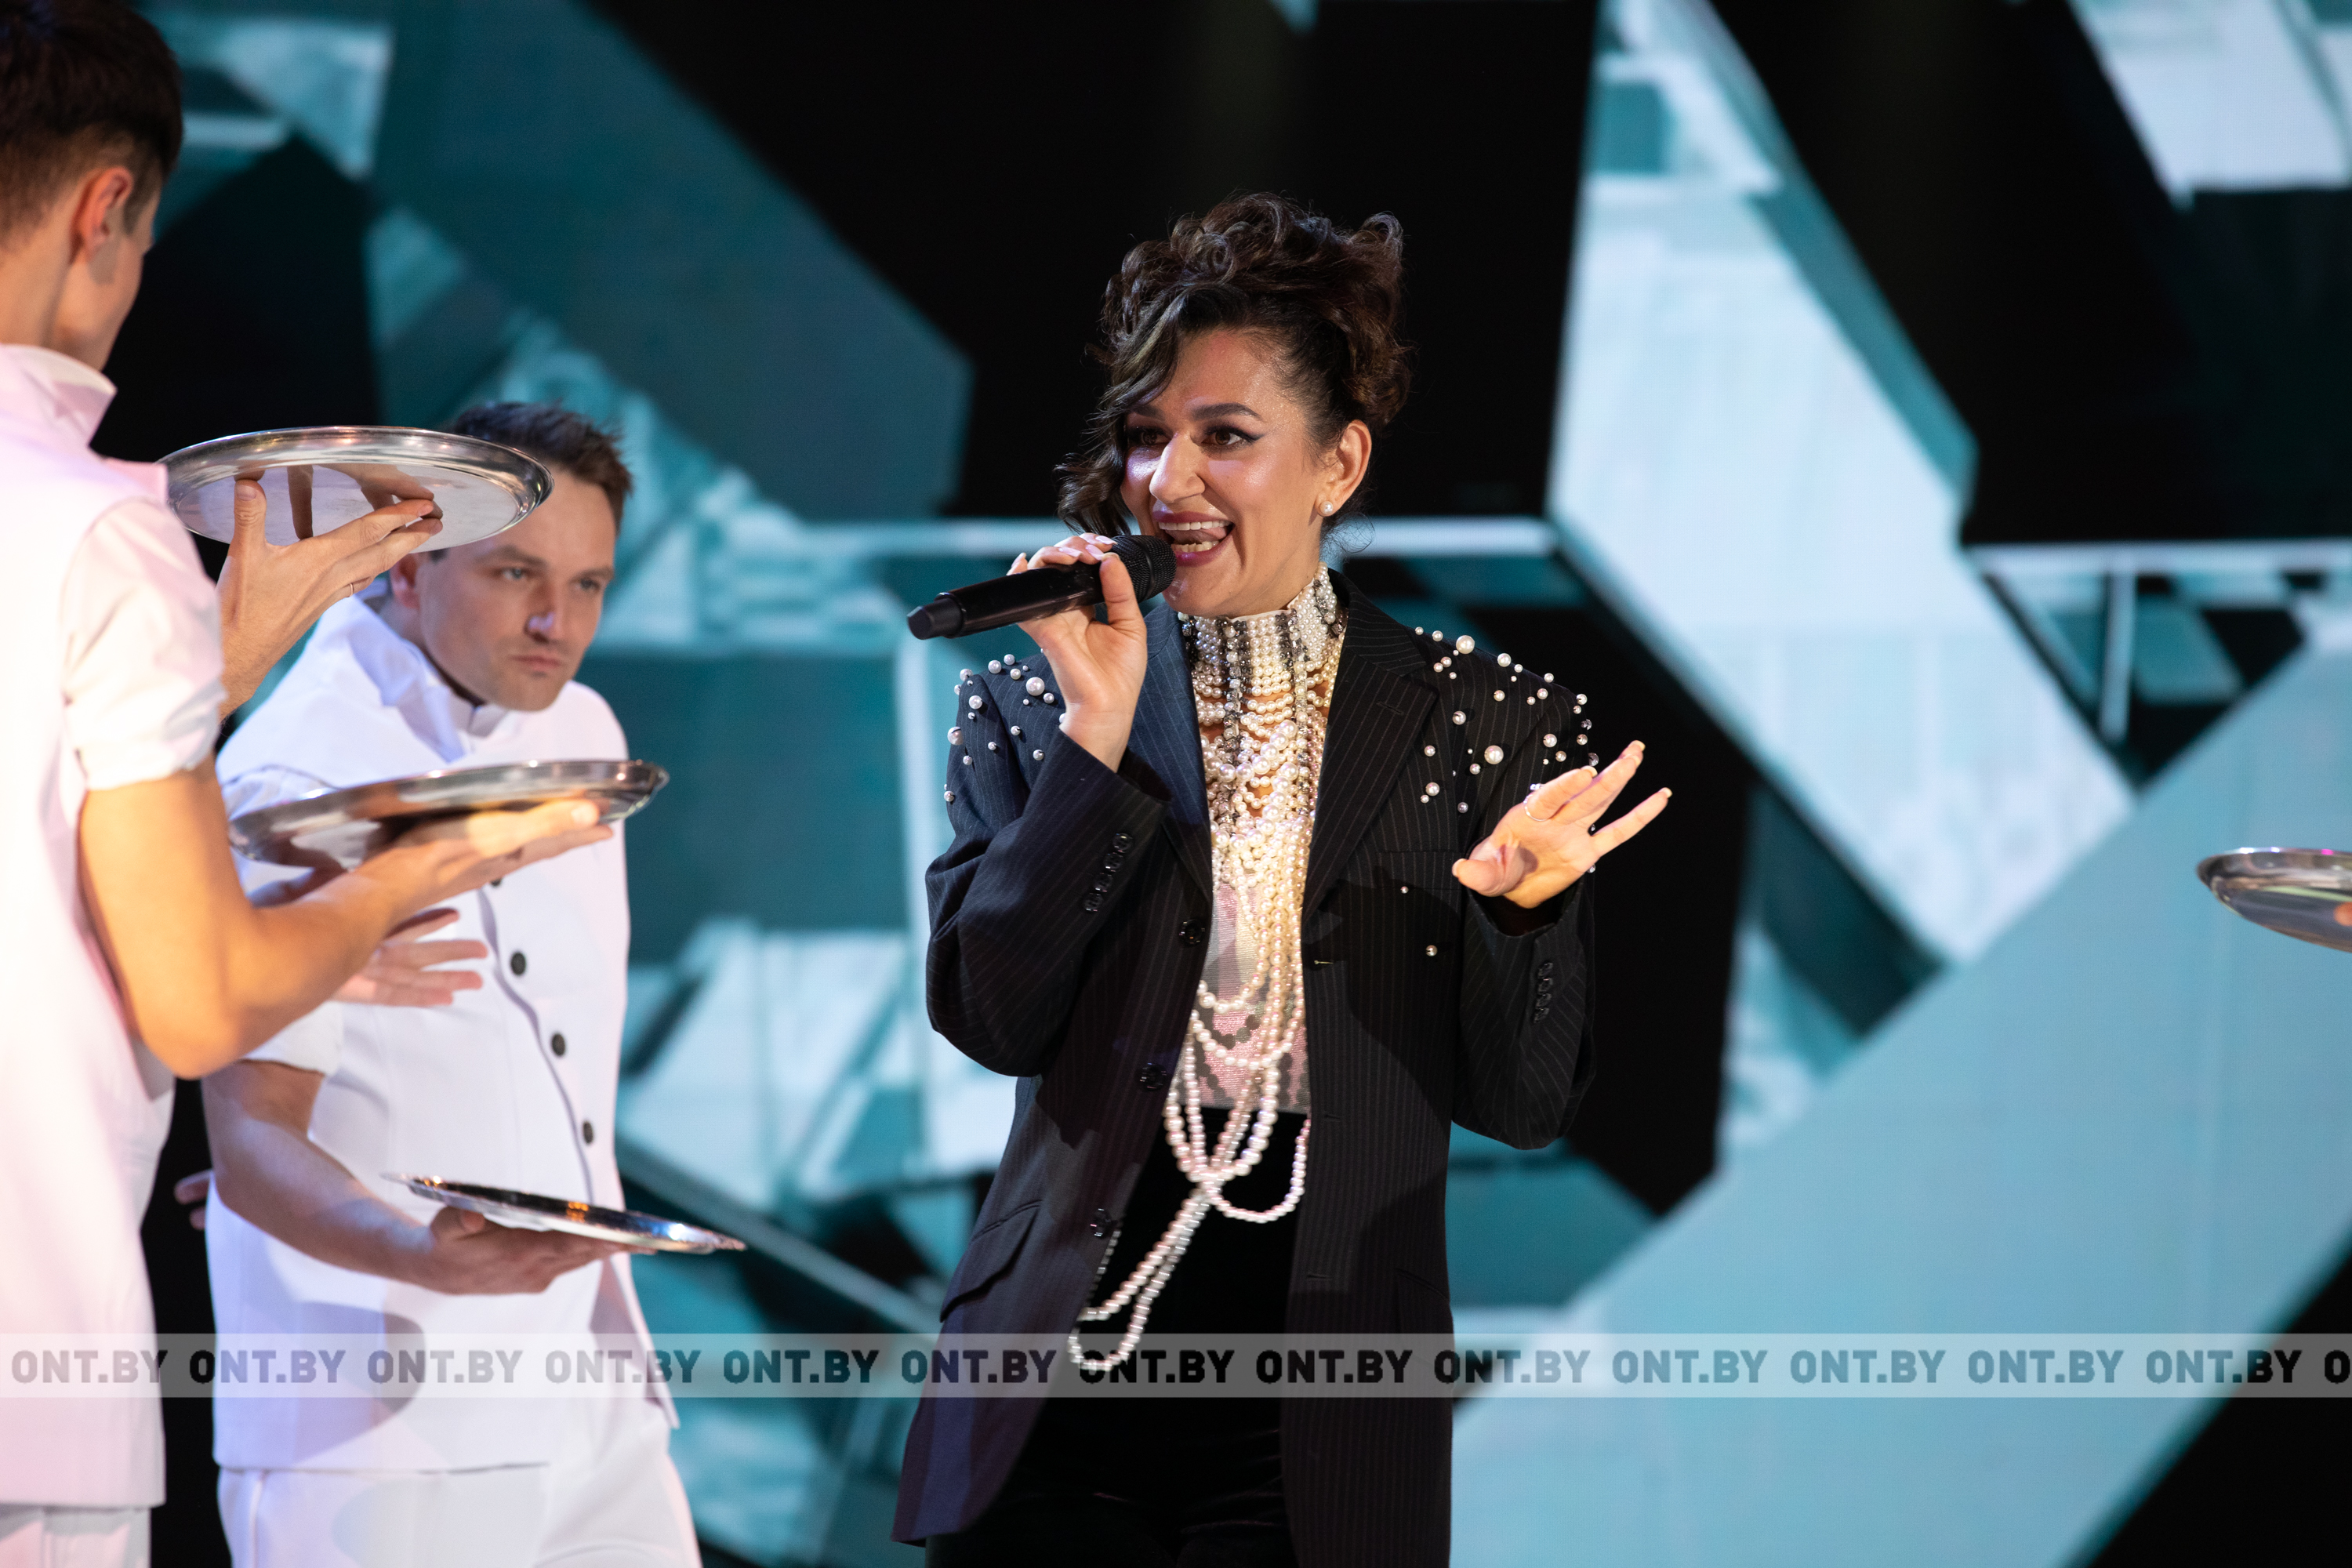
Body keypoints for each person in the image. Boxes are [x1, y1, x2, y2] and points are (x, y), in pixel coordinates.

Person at [894, 194, 1671, 1568]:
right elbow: (992, 1018)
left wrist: (1519, 912)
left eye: (1226, 437)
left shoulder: (1484, 723)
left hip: (1322, 1394)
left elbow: (1525, 1100)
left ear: (1338, 464)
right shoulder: (1035, 701)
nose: (1167, 480)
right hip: (1053, 1370)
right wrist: (1097, 742)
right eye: (1147, 436)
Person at [0, 6, 608, 1566]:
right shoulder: (96, 526)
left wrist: (205, 660)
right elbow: (204, 1004)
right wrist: (415, 867)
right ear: (104, 211)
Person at [198, 402, 701, 1568]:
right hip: (376, 1421)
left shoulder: (581, 728)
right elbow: (252, 1139)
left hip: (591, 1392)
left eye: (588, 585)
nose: (555, 623)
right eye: (516, 573)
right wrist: (419, 1252)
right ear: (410, 565)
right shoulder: (300, 774)